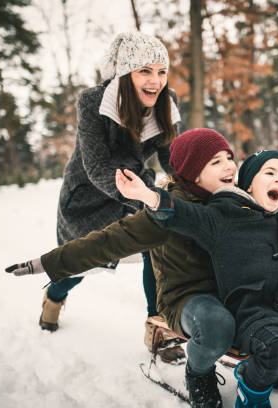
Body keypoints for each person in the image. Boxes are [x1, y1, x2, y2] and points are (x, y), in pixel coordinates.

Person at [6, 128, 278, 408]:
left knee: (276, 297)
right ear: (194, 173)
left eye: (229, 157)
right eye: (215, 162)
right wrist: (47, 264)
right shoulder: (163, 216)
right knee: (217, 325)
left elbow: (273, 217)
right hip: (189, 297)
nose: (229, 166)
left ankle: (266, 363)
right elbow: (104, 244)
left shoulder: (231, 199)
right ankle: (198, 373)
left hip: (232, 288)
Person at [115, 146, 278, 408]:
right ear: (248, 185)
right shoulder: (224, 220)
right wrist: (147, 195)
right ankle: (251, 394)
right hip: (254, 316)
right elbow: (184, 214)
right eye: (270, 172)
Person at [43, 31, 183, 362]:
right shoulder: (92, 102)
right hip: (90, 197)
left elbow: (170, 157)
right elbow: (96, 167)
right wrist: (144, 197)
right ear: (125, 73)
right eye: (145, 71)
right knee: (79, 266)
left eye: (161, 71)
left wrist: (191, 181)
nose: (155, 80)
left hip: (137, 186)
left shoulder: (167, 100)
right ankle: (54, 294)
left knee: (156, 242)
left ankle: (159, 327)